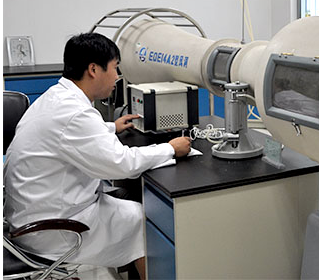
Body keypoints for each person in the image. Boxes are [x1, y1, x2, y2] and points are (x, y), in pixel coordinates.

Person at [4, 33, 191, 280]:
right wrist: (170, 148)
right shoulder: (75, 112)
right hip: (51, 230)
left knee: (127, 202)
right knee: (143, 221)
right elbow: (122, 164)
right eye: (114, 68)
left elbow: (69, 135)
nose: (117, 77)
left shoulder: (55, 97)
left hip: (28, 217)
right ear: (93, 69)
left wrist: (110, 127)